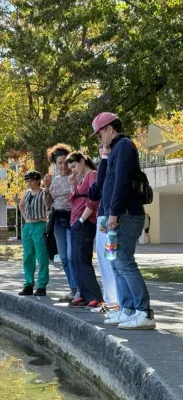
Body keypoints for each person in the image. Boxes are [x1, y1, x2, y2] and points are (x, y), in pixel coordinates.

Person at [92, 111, 155, 329]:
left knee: (124, 262)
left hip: (125, 215)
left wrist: (114, 213)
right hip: (115, 216)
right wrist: (104, 157)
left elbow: (122, 183)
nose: (100, 139)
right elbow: (101, 185)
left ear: (110, 129)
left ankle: (144, 312)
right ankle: (127, 309)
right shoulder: (114, 150)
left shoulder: (125, 146)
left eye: (100, 134)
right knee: (116, 263)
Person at [66, 152, 103, 309]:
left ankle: (94, 296)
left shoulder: (92, 174)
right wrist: (73, 183)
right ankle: (83, 293)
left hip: (85, 222)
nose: (73, 170)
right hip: (76, 221)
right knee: (74, 260)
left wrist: (82, 219)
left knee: (82, 259)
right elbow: (74, 199)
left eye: (74, 166)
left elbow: (93, 199)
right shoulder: (80, 179)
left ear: (82, 161)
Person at [88, 145, 119, 314]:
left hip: (109, 218)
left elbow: (97, 186)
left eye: (103, 147)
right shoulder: (105, 165)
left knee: (110, 258)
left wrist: (105, 158)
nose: (101, 149)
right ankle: (110, 300)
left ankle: (116, 302)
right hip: (103, 217)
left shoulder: (110, 164)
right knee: (103, 258)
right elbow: (94, 192)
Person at [46, 143, 79, 303]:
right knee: (64, 257)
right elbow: (47, 203)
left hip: (72, 218)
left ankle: (80, 289)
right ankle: (73, 290)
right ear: (55, 164)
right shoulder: (54, 181)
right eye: (59, 162)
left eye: (65, 162)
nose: (63, 165)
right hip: (58, 220)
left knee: (73, 256)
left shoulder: (76, 176)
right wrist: (46, 188)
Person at [18, 171, 50, 296]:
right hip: (27, 226)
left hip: (39, 225)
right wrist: (25, 217)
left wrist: (45, 219)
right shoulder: (26, 193)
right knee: (27, 256)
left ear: (38, 181)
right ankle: (28, 284)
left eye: (31, 180)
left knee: (41, 256)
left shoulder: (43, 192)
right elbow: (21, 205)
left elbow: (48, 206)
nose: (29, 183)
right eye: (27, 181)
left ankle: (41, 285)